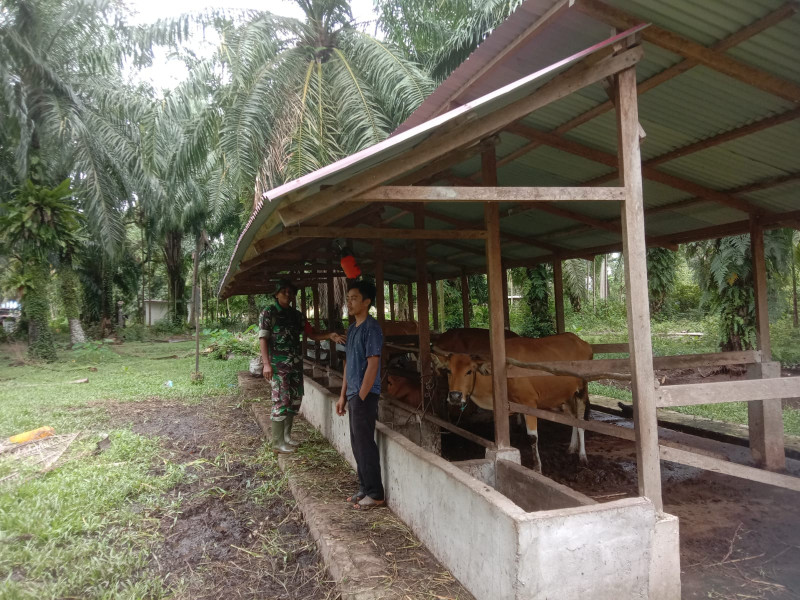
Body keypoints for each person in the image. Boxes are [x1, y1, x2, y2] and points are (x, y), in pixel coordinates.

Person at [259, 279, 344, 453]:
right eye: (284, 291)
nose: (287, 294)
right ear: (276, 294)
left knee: (295, 399)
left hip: (295, 364)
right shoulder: (269, 313)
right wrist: (266, 364)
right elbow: (263, 339)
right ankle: (277, 443)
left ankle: (287, 437)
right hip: (278, 366)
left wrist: (330, 335)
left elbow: (312, 334)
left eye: (290, 292)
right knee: (281, 400)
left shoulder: (297, 315)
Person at [335, 280, 385, 510]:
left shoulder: (371, 329)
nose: (349, 302)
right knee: (357, 443)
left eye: (354, 298)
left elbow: (373, 364)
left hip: (365, 395)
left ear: (367, 302)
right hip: (354, 394)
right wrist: (343, 395)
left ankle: (375, 493)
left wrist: (362, 395)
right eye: (348, 298)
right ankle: (364, 487)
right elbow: (348, 365)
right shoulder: (352, 329)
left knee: (365, 443)